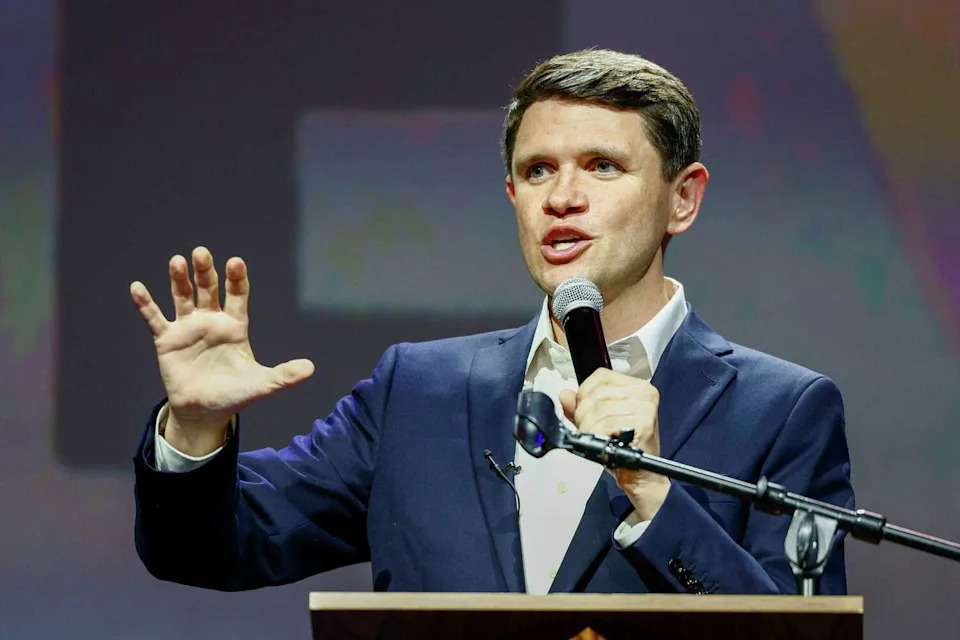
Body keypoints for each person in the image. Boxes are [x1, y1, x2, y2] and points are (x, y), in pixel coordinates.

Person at [130, 49, 853, 594]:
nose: (562, 197)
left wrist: (655, 496)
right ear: (511, 192)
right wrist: (194, 430)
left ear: (682, 199)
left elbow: (799, 632)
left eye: (602, 166)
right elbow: (210, 549)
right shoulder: (418, 389)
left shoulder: (782, 412)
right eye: (538, 171)